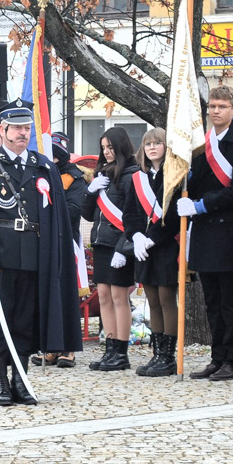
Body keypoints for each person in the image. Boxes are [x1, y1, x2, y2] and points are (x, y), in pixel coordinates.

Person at [0, 104, 81, 406]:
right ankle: (0, 380)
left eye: (26, 128)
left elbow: (55, 216)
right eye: (16, 128)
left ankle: (21, 379)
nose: (22, 133)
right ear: (2, 131)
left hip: (32, 254)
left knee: (25, 321)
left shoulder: (42, 166)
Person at [177, 85, 233, 381]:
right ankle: (217, 357)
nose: (215, 111)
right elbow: (195, 183)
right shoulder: (201, 143)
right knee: (212, 300)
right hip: (204, 233)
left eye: (221, 106)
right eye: (212, 106)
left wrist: (200, 205)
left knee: (231, 301)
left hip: (229, 230)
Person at [123, 128, 181, 377]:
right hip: (143, 247)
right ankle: (157, 354)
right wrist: (135, 236)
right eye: (148, 144)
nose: (152, 147)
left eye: (158, 143)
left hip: (166, 245)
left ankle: (168, 356)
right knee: (152, 300)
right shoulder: (138, 177)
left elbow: (174, 215)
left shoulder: (174, 176)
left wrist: (153, 238)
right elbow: (130, 212)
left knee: (167, 300)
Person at [83, 127, 139, 372]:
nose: (106, 152)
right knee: (104, 296)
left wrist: (123, 248)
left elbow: (133, 217)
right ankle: (110, 348)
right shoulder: (102, 173)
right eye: (103, 148)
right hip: (101, 242)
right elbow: (87, 214)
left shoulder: (132, 175)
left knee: (119, 297)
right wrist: (90, 191)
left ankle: (122, 351)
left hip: (120, 246)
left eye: (110, 147)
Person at [32, 131, 86, 368]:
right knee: (45, 294)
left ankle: (68, 348)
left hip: (66, 241)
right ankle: (50, 346)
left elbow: (74, 209)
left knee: (66, 295)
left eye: (56, 156)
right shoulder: (37, 175)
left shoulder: (75, 178)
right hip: (42, 241)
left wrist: (51, 202)